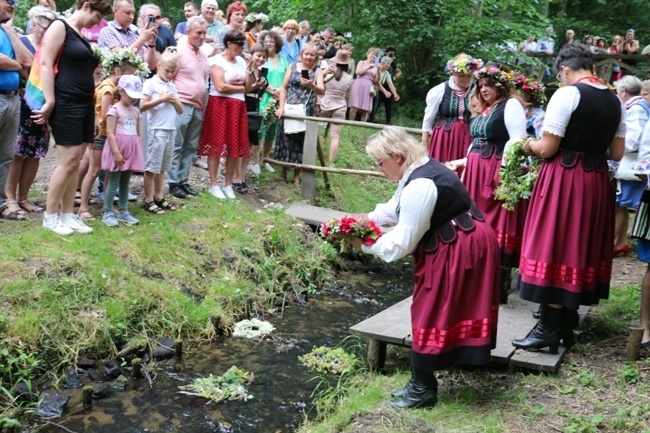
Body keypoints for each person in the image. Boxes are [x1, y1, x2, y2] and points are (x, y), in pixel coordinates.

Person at [344, 127, 499, 409]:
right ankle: (432, 374)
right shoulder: (419, 168)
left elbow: (402, 243)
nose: (379, 170)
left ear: (398, 156)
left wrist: (364, 244)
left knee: (431, 305)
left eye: (380, 163)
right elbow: (394, 209)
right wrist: (362, 219)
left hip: (459, 243)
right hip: (464, 235)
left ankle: (423, 387)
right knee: (443, 305)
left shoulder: (421, 184)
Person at [512, 44, 625, 353]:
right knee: (579, 246)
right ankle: (565, 326)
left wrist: (527, 145)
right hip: (597, 181)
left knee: (557, 244)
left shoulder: (567, 94)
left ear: (565, 70)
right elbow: (617, 153)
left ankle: (547, 329)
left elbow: (548, 148)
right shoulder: (616, 100)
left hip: (565, 177)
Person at [446, 64, 528, 304]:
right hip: (476, 171)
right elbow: (477, 143)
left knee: (496, 224)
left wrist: (504, 173)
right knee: (475, 222)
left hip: (495, 171)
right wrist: (462, 163)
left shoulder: (511, 105)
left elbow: (517, 140)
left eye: (488, 85)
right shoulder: (486, 109)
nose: (484, 90)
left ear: (501, 85)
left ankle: (499, 286)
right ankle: (475, 280)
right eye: (481, 86)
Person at [33, 0, 112, 235]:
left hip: (85, 103)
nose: (97, 23)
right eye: (97, 17)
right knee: (67, 161)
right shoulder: (60, 26)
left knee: (76, 162)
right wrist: (50, 101)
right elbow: (46, 62)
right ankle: (50, 216)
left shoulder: (80, 34)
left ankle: (67, 215)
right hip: (66, 102)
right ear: (86, 6)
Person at [78, 47, 146, 221]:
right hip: (103, 135)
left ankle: (106, 208)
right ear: (118, 71)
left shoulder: (112, 87)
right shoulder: (108, 90)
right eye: (127, 74)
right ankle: (83, 207)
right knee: (94, 170)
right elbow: (107, 117)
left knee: (110, 173)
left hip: (114, 137)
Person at [3, 6, 55, 221]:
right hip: (22, 103)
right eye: (44, 24)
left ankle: (23, 197)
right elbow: (23, 67)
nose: (48, 29)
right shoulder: (22, 41)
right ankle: (9, 197)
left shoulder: (52, 47)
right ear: (34, 23)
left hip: (43, 106)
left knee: (34, 153)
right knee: (16, 152)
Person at [198, 30, 260, 199]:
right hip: (220, 104)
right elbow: (221, 87)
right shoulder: (216, 61)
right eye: (239, 45)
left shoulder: (241, 61)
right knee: (216, 144)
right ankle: (213, 184)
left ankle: (228, 184)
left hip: (238, 105)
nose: (241, 49)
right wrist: (243, 88)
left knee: (235, 145)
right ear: (230, 44)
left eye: (243, 45)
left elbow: (248, 86)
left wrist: (248, 71)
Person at [168, 16, 209, 199]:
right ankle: (173, 181)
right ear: (188, 32)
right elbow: (169, 78)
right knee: (177, 144)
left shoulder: (203, 54)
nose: (201, 36)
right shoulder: (178, 51)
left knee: (191, 146)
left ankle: (184, 180)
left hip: (199, 105)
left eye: (204, 33)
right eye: (198, 33)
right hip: (181, 104)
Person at [274, 43, 325, 185]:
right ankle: (283, 172)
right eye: (306, 54)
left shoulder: (318, 70)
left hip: (306, 110)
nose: (308, 57)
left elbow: (321, 91)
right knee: (286, 139)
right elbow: (283, 88)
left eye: (312, 55)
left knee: (301, 141)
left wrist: (311, 85)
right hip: (290, 107)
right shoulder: (292, 66)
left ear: (316, 57)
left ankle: (297, 174)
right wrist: (281, 107)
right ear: (302, 54)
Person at [140, 48, 183, 214]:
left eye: (173, 72)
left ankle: (159, 196)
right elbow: (143, 106)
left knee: (163, 167)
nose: (170, 74)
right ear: (158, 65)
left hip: (170, 128)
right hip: (156, 129)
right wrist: (161, 99)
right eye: (167, 70)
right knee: (152, 166)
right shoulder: (150, 83)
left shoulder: (172, 86)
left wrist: (172, 100)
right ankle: (148, 198)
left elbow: (180, 110)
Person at [421, 54, 482, 169]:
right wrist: (424, 143)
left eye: (468, 76)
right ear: (454, 73)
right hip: (445, 135)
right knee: (442, 166)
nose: (465, 79)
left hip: (468, 134)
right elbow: (428, 119)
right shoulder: (440, 90)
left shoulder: (476, 90)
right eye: (461, 76)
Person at [101, 74, 145, 226]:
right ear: (121, 91)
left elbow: (139, 133)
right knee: (114, 182)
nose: (134, 99)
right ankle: (107, 211)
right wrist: (116, 153)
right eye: (131, 95)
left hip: (131, 150)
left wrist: (137, 149)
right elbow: (110, 132)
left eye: (136, 96)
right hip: (118, 150)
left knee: (126, 182)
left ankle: (123, 211)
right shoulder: (114, 110)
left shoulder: (136, 112)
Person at [613, 75, 648, 256]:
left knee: (619, 204)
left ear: (624, 92)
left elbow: (633, 139)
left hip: (631, 164)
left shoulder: (635, 110)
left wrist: (614, 146)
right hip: (635, 164)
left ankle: (614, 243)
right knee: (622, 204)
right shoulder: (640, 106)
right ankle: (620, 242)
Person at [233, 43, 268, 193]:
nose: (260, 59)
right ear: (251, 55)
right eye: (258, 55)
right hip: (244, 104)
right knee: (241, 143)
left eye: (263, 57)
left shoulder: (262, 73)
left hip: (255, 107)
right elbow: (246, 88)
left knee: (250, 145)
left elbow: (265, 88)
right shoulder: (246, 69)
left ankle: (242, 176)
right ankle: (235, 177)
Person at [256, 30, 288, 174]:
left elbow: (287, 78)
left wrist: (280, 91)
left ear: (277, 43)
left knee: (272, 132)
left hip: (279, 98)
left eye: (272, 41)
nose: (269, 43)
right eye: (266, 41)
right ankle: (255, 161)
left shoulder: (283, 59)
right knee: (260, 130)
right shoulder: (262, 58)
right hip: (265, 96)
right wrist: (271, 89)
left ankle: (266, 159)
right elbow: (258, 75)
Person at [97, 0, 158, 71]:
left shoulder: (134, 36)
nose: (131, 17)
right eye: (127, 13)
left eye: (133, 13)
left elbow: (150, 66)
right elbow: (120, 58)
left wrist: (151, 44)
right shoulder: (107, 31)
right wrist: (143, 39)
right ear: (115, 11)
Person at [319, 49, 353, 165]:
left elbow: (320, 85)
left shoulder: (327, 72)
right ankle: (331, 162)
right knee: (335, 137)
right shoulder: (349, 78)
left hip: (324, 103)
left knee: (313, 130)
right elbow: (348, 93)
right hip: (340, 106)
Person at [348, 47, 379, 122]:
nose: (373, 56)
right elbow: (358, 72)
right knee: (354, 106)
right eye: (372, 54)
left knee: (365, 109)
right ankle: (350, 123)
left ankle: (362, 125)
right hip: (359, 83)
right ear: (367, 54)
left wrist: (379, 71)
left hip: (368, 85)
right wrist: (368, 67)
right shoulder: (362, 62)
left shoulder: (376, 66)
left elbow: (376, 80)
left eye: (375, 55)